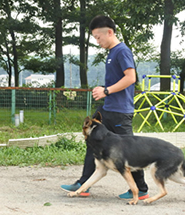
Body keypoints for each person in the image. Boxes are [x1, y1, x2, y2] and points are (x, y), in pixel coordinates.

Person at [61, 15, 148, 200]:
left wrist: (106, 90)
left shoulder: (122, 51)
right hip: (108, 109)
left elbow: (131, 78)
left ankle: (140, 189)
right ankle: (83, 184)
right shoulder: (111, 53)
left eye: (98, 37)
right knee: (92, 141)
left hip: (120, 111)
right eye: (94, 38)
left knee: (129, 150)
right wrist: (103, 92)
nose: (97, 41)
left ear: (109, 32)